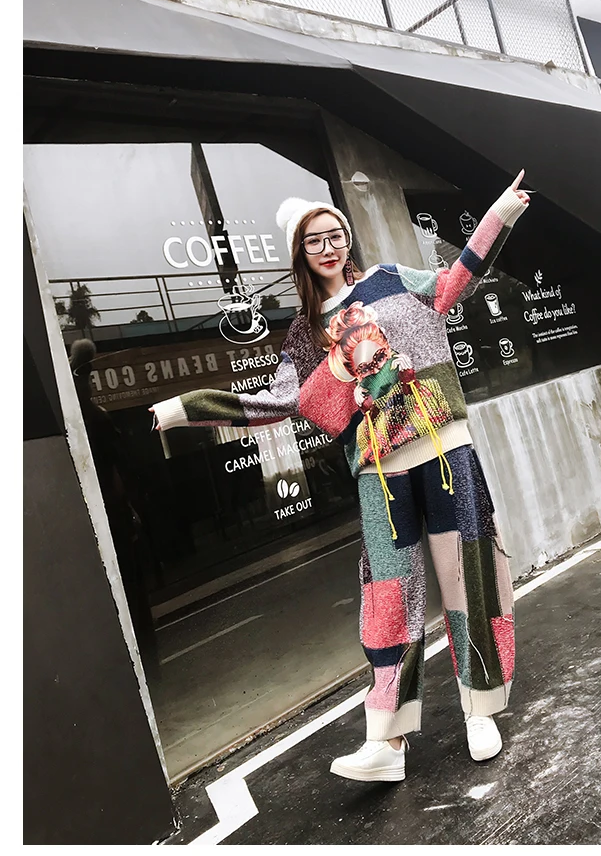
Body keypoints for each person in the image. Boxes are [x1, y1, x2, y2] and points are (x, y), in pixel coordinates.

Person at [150, 171, 531, 782]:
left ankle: (480, 708)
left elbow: (453, 283)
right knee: (389, 598)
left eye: (335, 235)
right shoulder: (304, 334)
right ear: (299, 254)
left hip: (443, 448)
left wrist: (500, 214)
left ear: (347, 239)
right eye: (314, 240)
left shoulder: (389, 279)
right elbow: (276, 402)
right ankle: (388, 740)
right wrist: (187, 408)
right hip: (378, 470)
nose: (328, 247)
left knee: (470, 576)